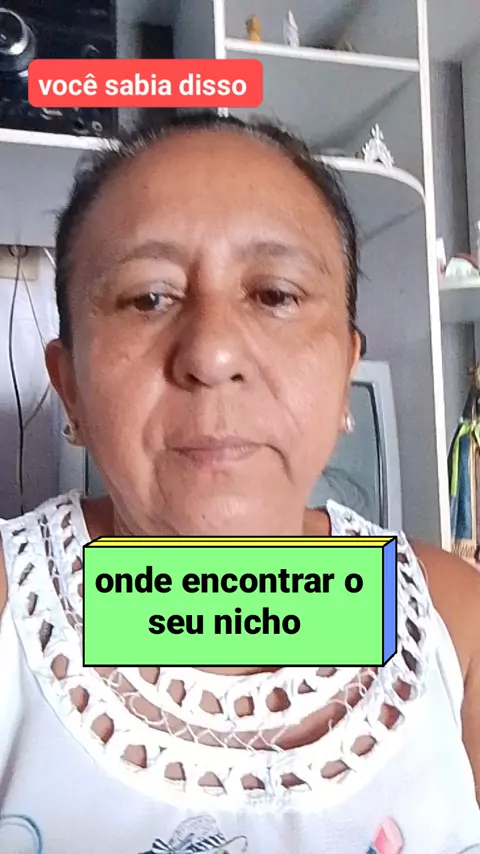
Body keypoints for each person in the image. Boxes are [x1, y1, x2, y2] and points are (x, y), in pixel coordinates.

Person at [0, 112, 479, 854]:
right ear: (69, 390)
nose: (213, 353)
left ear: (346, 372)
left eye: (276, 294)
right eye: (148, 297)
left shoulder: (456, 623)